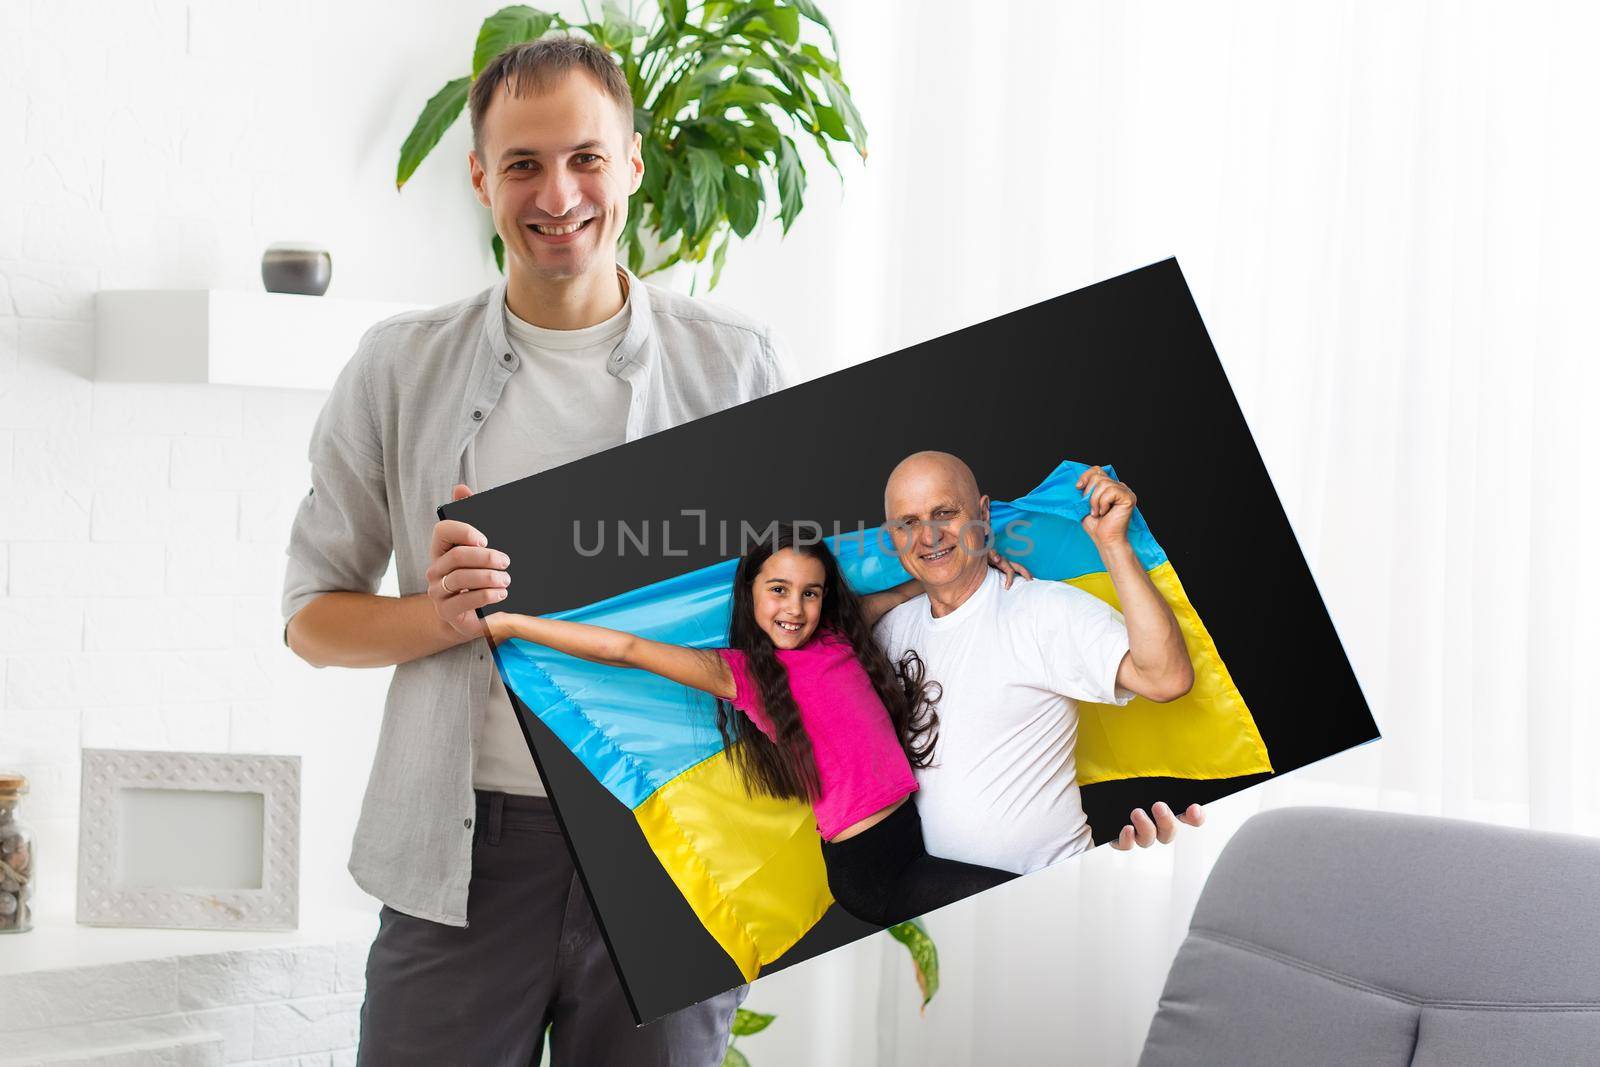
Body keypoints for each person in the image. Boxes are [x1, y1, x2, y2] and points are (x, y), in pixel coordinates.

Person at [281, 37, 790, 1067]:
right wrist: (436, 613)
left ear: (634, 164)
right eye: (522, 164)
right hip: (461, 857)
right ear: (479, 178)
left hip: (671, 844)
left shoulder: (731, 363)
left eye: (585, 158)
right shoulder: (398, 366)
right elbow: (311, 616)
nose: (557, 194)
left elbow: (818, 624)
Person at [485, 525, 1024, 927]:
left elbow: (918, 588)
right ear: (751, 593)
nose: (795, 608)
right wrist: (511, 623)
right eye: (779, 590)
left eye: (810, 592)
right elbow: (623, 648)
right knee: (1022, 908)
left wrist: (978, 562)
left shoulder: (840, 637)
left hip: (913, 835)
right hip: (871, 870)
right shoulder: (742, 674)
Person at [875, 452, 1205, 876]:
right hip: (940, 911)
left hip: (1052, 891)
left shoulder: (1042, 610)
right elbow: (796, 642)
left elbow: (1167, 678)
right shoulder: (888, 632)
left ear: (982, 514)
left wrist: (1113, 544)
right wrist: (910, 589)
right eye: (908, 523)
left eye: (944, 513)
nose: (929, 536)